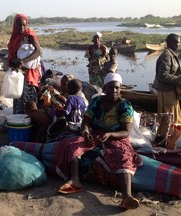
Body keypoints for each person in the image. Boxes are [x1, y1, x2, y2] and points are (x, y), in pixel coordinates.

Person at [56, 73, 142, 210]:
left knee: (124, 156)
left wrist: (110, 134)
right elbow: (85, 122)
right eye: (110, 88)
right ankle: (75, 180)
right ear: (104, 88)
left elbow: (126, 131)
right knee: (72, 144)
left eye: (117, 88)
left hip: (117, 137)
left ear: (120, 89)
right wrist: (85, 131)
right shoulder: (97, 102)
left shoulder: (125, 106)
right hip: (96, 135)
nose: (114, 91)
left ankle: (127, 196)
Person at [152, 33, 181, 141]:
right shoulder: (166, 56)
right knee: (169, 118)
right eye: (177, 42)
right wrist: (179, 79)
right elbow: (162, 76)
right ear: (170, 43)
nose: (179, 45)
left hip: (171, 91)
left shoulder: (170, 54)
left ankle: (172, 136)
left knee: (173, 116)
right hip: (166, 92)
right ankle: (168, 138)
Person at [7, 14, 42, 114]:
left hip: (29, 73)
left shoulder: (29, 35)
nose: (22, 28)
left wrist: (23, 61)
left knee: (28, 100)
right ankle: (18, 121)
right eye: (19, 25)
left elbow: (38, 51)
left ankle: (30, 123)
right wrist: (14, 61)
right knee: (17, 96)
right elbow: (11, 55)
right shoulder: (14, 37)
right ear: (15, 25)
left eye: (24, 25)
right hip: (18, 72)